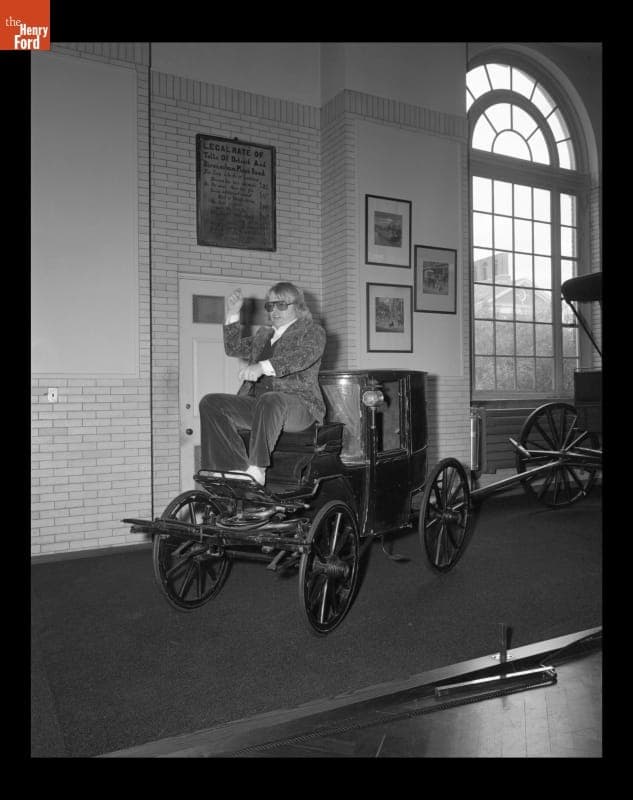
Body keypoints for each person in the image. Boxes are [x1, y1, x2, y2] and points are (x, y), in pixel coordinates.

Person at [198, 282, 326, 485]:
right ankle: (232, 469)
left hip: (300, 407)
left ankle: (258, 470)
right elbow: (233, 348)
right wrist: (233, 313)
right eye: (270, 305)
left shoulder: (312, 332)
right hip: (261, 407)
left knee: (270, 399)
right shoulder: (263, 335)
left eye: (281, 305)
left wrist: (262, 367)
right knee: (211, 402)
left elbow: (302, 357)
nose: (274, 310)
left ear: (299, 306)